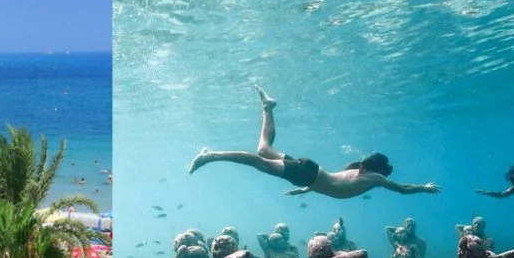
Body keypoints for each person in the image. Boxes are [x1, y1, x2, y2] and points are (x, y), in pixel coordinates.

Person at [188, 86, 441, 199]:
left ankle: (268, 106)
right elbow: (403, 189)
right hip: (307, 174)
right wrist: (425, 188)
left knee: (263, 149)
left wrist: (305, 190)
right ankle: (210, 156)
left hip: (310, 173)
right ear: (380, 172)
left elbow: (331, 183)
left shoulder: (359, 174)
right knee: (258, 162)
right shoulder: (375, 179)